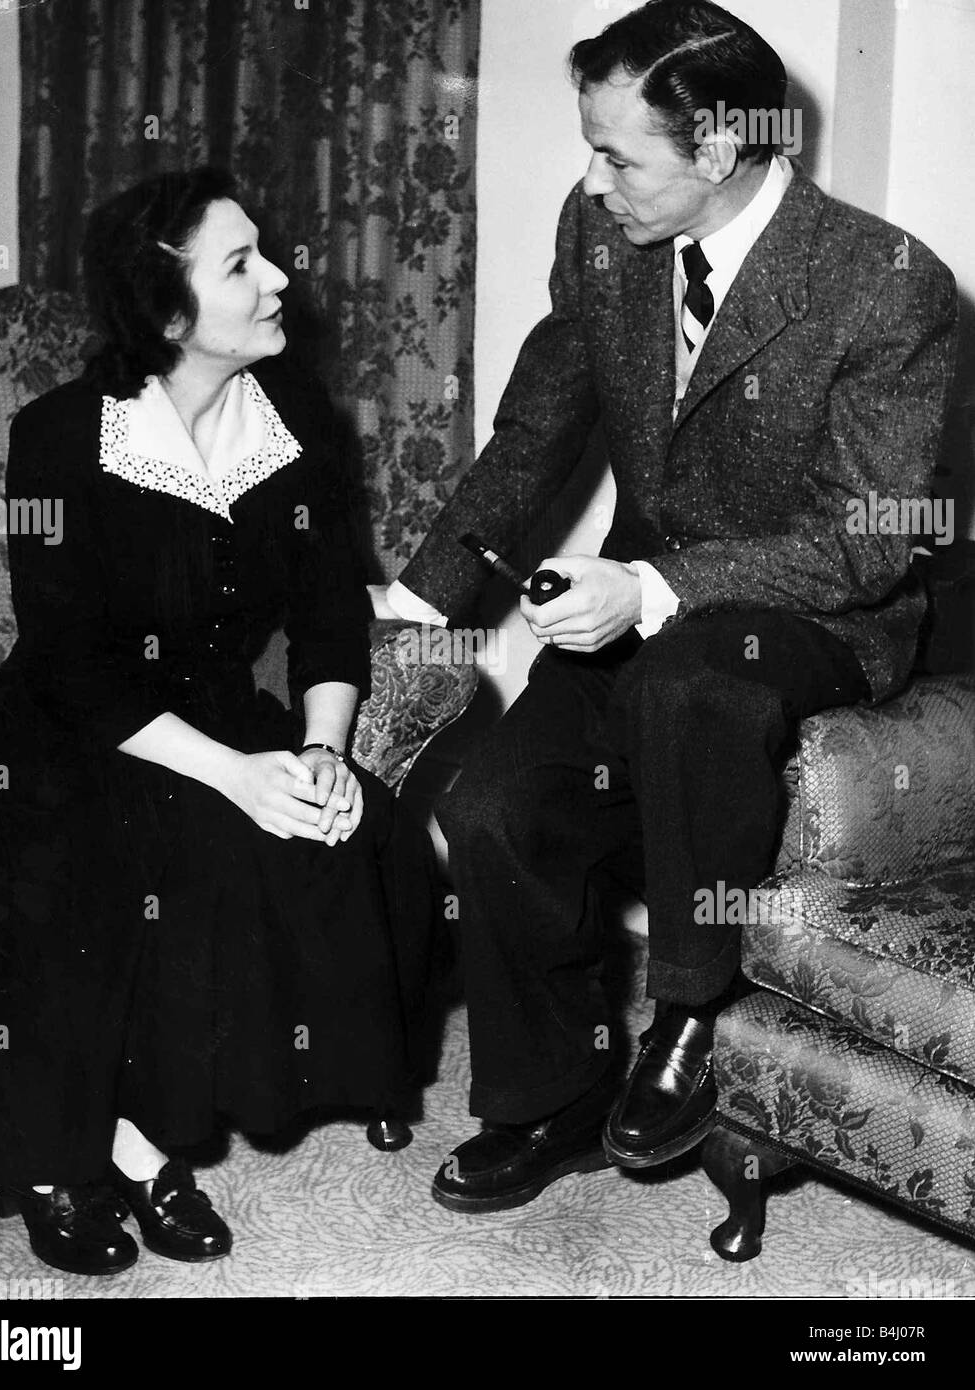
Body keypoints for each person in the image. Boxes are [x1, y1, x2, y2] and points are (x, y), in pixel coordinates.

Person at [373, 0, 959, 1212]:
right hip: (644, 597)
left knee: (696, 679)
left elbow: (866, 535)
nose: (592, 182)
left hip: (812, 612)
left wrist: (648, 587)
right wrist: (420, 600)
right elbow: (536, 431)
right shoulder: (601, 241)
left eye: (616, 154)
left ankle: (693, 1010)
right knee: (492, 807)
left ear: (720, 150)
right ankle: (552, 1102)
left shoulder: (883, 284)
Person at [0, 167, 438, 1273]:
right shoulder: (59, 438)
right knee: (92, 870)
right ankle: (77, 1157)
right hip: (67, 730)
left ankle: (156, 1131)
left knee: (366, 843)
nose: (280, 279)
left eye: (267, 253)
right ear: (168, 314)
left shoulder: (297, 420)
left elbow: (327, 622)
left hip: (212, 716)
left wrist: (318, 753)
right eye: (242, 263)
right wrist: (235, 776)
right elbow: (74, 664)